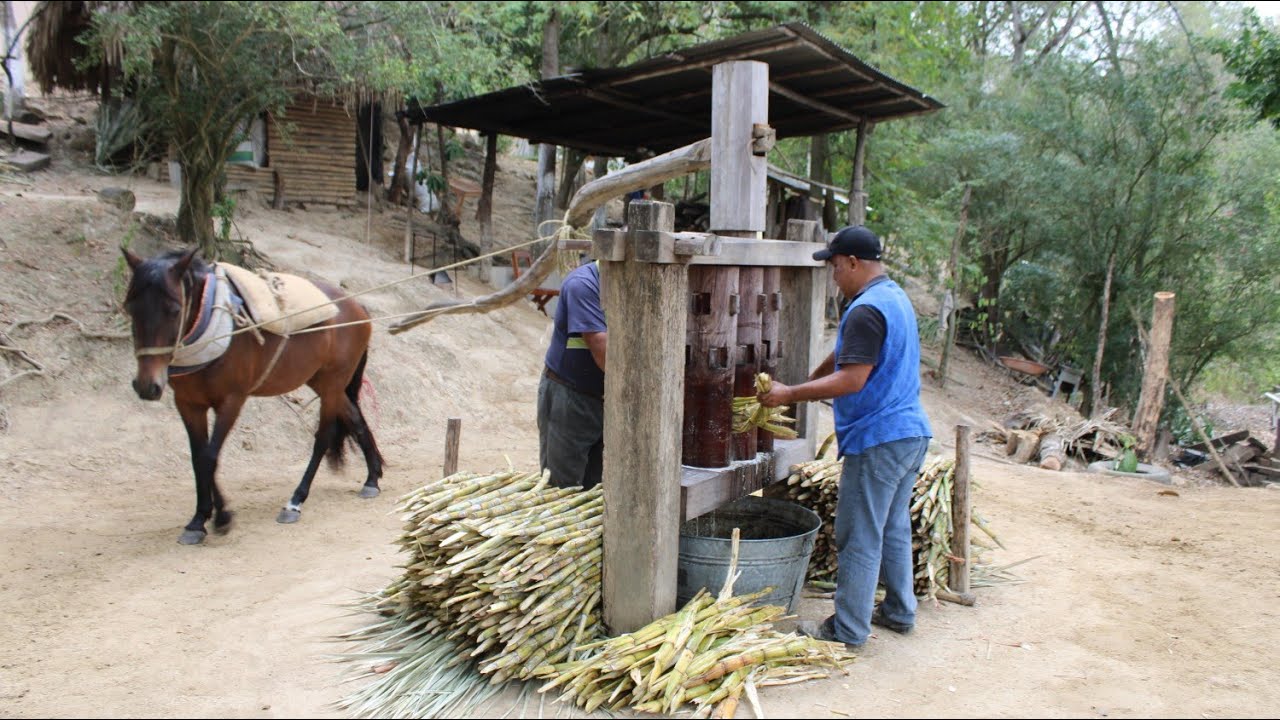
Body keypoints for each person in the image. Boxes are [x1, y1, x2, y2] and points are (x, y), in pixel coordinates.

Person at [757, 225, 932, 649]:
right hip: (910, 435)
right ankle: (898, 611)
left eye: (835, 266)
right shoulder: (892, 298)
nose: (833, 275)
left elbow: (853, 378)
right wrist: (803, 383)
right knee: (891, 526)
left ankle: (848, 630)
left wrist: (791, 393)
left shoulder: (865, 311)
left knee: (859, 534)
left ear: (854, 262)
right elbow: (846, 356)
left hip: (880, 439)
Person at [538, 259, 606, 489]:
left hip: (604, 398)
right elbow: (602, 349)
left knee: (596, 486)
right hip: (570, 396)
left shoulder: (636, 284)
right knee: (561, 486)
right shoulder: (583, 285)